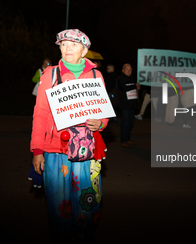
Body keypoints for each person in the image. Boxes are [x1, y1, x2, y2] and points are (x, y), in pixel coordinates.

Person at [30, 29, 109, 241]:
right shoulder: (50, 74)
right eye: (64, 44)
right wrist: (37, 150)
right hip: (55, 151)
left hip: (86, 152)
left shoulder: (95, 75)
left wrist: (100, 123)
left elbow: (103, 112)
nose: (68, 49)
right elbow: (40, 114)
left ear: (84, 50)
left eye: (74, 44)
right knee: (58, 205)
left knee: (87, 202)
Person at [117, 63, 140, 147]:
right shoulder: (120, 79)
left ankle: (128, 139)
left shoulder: (132, 79)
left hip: (132, 105)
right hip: (125, 105)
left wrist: (137, 88)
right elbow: (124, 88)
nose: (129, 71)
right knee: (125, 123)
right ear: (123, 70)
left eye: (130, 70)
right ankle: (123, 141)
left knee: (130, 123)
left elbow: (134, 90)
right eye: (127, 69)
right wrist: (135, 86)